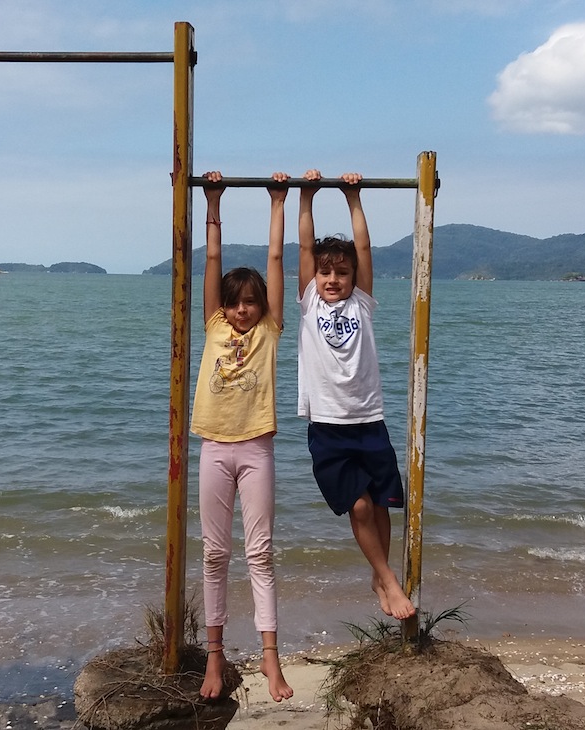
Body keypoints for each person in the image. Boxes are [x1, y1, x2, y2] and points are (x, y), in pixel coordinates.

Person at [191, 170, 295, 702]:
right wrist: (213, 202)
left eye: (250, 302)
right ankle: (214, 657)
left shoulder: (269, 331)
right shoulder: (212, 325)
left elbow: (276, 263)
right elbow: (212, 262)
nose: (241, 310)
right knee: (214, 554)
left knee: (259, 553)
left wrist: (277, 202)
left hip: (256, 447)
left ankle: (270, 660)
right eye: (234, 303)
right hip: (214, 446)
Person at [295, 169, 416, 621]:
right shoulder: (309, 303)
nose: (332, 278)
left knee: (382, 504)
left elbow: (363, 248)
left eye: (341, 272)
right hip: (328, 424)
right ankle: (386, 578)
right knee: (359, 505)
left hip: (369, 419)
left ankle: (380, 575)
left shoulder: (361, 302)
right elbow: (306, 248)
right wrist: (305, 199)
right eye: (325, 272)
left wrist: (354, 198)